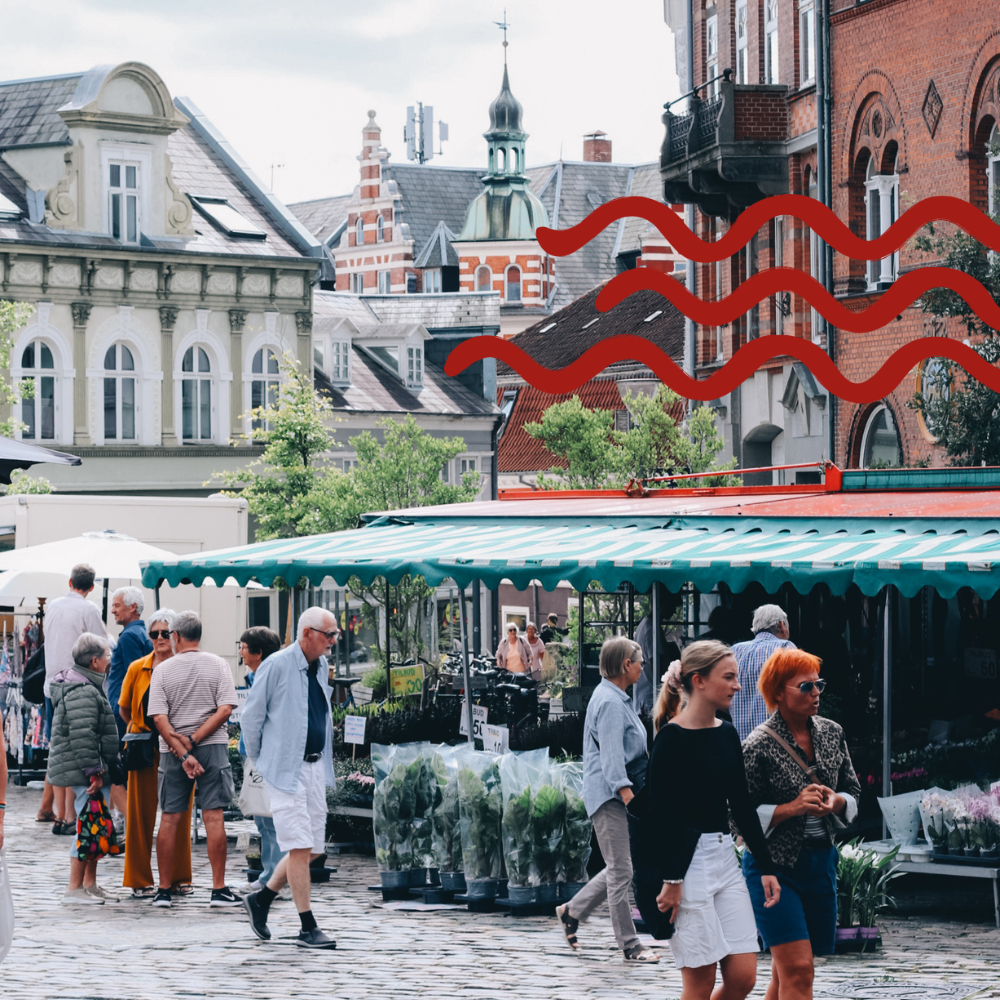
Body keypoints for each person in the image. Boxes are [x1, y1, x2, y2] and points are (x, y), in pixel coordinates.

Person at [648, 641, 780, 998]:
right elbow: (658, 818)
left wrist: (766, 866)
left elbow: (741, 804)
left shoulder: (727, 733)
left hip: (724, 858)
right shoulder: (670, 740)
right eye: (729, 677)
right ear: (699, 680)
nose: (738, 685)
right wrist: (672, 877)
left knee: (743, 977)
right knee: (700, 982)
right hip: (686, 865)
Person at [740, 648, 861, 1000]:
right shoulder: (758, 744)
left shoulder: (832, 732)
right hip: (774, 867)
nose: (816, 693)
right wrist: (791, 808)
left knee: (786, 972)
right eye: (806, 686)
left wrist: (835, 802)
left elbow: (852, 791)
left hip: (821, 862)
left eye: (818, 684)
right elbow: (738, 814)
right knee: (798, 969)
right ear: (779, 692)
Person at [554, 636, 659, 964]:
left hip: (613, 793)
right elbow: (613, 759)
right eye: (639, 661)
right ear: (626, 664)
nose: (643, 668)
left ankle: (572, 911)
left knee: (619, 867)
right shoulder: (612, 703)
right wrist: (630, 798)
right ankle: (630, 945)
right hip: (611, 794)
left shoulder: (615, 698)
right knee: (621, 869)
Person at [241, 607, 339, 949]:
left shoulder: (321, 665)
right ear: (307, 633)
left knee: (312, 849)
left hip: (313, 767)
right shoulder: (277, 664)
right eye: (329, 635)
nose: (333, 641)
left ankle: (262, 900)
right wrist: (264, 759)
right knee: (299, 846)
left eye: (335, 634)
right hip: (287, 769)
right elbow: (250, 717)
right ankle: (307, 926)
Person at [147, 610, 240, 909]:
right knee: (214, 818)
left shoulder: (162, 670)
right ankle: (218, 888)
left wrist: (183, 750)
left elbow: (159, 719)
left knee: (170, 819)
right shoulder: (219, 665)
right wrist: (196, 740)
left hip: (172, 751)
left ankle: (163, 890)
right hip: (211, 746)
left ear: (175, 636)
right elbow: (225, 709)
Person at [118, 609, 195, 899]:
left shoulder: (184, 665)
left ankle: (179, 877)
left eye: (166, 632)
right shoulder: (138, 668)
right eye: (154, 633)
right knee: (139, 816)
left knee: (179, 814)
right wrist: (138, 727)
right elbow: (124, 707)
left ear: (175, 635)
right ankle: (139, 879)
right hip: (143, 748)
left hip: (178, 748)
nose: (160, 638)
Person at [48, 633, 121, 904]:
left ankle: (89, 884)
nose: (108, 660)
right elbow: (83, 736)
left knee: (95, 826)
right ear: (94, 661)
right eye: (106, 655)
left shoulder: (86, 684)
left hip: (89, 768)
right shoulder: (83, 690)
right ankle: (74, 888)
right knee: (85, 827)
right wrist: (94, 771)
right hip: (85, 771)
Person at [36, 563, 106, 835]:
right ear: (91, 587)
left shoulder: (53, 605)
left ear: (69, 582)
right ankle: (67, 815)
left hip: (50, 684)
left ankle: (60, 814)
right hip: (76, 685)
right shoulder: (88, 609)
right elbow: (100, 645)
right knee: (72, 751)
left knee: (58, 748)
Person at [234, 626, 285, 896]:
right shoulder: (255, 675)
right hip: (253, 752)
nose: (240, 651)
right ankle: (269, 873)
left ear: (258, 652)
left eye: (243, 646)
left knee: (272, 815)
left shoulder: (270, 676)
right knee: (262, 816)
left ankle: (277, 877)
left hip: (263, 754)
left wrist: (254, 752)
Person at [730, 605, 796, 741]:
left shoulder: (734, 651)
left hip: (740, 743)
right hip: (775, 745)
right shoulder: (785, 648)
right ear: (781, 625)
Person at [108, 586, 153, 740]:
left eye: (117, 605)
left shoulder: (129, 636)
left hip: (124, 710)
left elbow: (135, 678)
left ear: (133, 607)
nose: (113, 610)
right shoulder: (141, 633)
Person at [633, 592, 684, 716]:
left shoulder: (647, 625)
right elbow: (654, 664)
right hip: (651, 696)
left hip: (646, 694)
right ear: (662, 604)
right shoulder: (651, 629)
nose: (673, 612)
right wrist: (664, 688)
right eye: (672, 607)